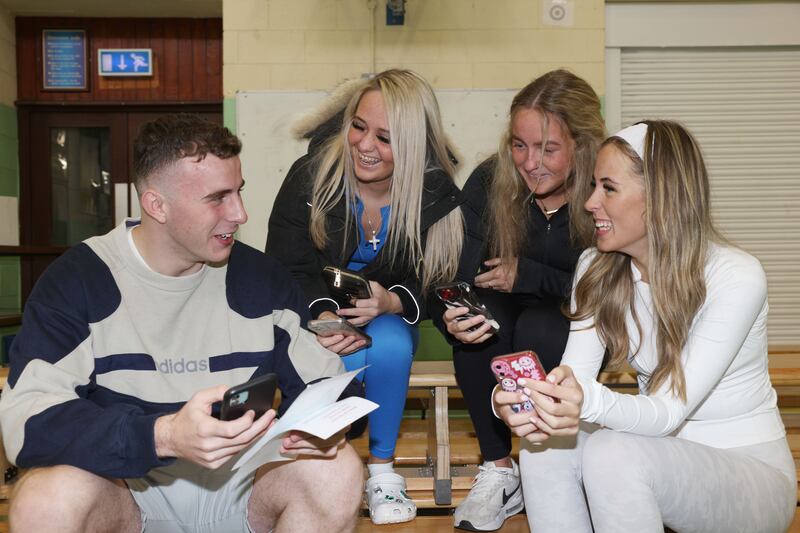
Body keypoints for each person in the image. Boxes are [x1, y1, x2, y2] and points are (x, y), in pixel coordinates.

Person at [0, 114, 364, 533]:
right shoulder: (80, 280)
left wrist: (327, 427)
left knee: (337, 469)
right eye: (217, 198)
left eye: (239, 193)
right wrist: (163, 435)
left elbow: (328, 387)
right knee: (43, 500)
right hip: (126, 489)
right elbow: (28, 427)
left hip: (243, 483)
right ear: (157, 205)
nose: (241, 214)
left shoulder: (261, 279)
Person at [494, 120, 796, 533]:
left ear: (658, 198)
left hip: (751, 479)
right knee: (542, 442)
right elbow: (574, 379)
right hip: (660, 455)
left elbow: (669, 411)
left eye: (608, 187)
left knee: (611, 452)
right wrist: (521, 400)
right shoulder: (595, 268)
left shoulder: (736, 275)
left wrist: (581, 401)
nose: (589, 203)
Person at [265, 69, 464, 525]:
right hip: (317, 314)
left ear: (413, 145)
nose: (364, 145)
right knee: (345, 356)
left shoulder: (436, 195)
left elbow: (441, 282)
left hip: (390, 315)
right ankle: (331, 467)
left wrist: (393, 301)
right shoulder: (310, 177)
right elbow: (284, 266)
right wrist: (323, 314)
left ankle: (382, 471)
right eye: (358, 126)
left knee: (390, 344)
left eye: (385, 137)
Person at [437, 69, 605, 531]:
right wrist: (451, 315)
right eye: (519, 145)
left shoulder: (604, 188)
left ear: (582, 145)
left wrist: (531, 275)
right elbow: (457, 275)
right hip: (506, 307)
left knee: (540, 328)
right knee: (480, 325)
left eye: (548, 149)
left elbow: (611, 285)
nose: (530, 162)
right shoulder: (491, 181)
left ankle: (545, 460)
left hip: (580, 313)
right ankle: (498, 469)